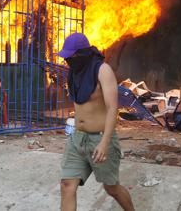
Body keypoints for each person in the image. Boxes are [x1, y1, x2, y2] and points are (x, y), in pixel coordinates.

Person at [58, 33, 135, 211]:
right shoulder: (75, 72)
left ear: (82, 54)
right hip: (77, 139)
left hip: (100, 139)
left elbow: (112, 108)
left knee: (112, 188)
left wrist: (104, 142)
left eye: (71, 56)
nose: (68, 60)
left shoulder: (103, 70)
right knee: (67, 185)